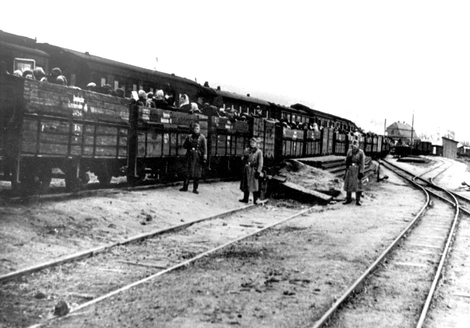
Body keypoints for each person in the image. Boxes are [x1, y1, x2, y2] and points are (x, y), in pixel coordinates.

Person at [180, 123, 207, 194]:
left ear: (199, 129)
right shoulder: (189, 137)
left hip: (198, 157)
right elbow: (184, 146)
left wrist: (204, 157)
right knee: (187, 172)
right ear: (193, 129)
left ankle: (195, 189)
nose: (196, 130)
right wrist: (188, 144)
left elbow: (205, 149)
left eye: (197, 129)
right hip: (189, 156)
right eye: (195, 128)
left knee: (197, 173)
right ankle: (185, 187)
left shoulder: (202, 138)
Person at [239, 137, 264, 204]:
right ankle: (245, 198)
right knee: (246, 184)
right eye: (251, 143)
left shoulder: (259, 152)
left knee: (254, 185)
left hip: (253, 170)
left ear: (256, 144)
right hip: (247, 169)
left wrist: (258, 171)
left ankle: (255, 199)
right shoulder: (247, 150)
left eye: (254, 143)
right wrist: (244, 158)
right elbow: (242, 158)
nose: (252, 144)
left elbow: (260, 163)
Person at [343, 139, 365, 205]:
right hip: (350, 170)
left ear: (358, 145)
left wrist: (361, 172)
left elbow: (362, 163)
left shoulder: (361, 152)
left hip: (357, 170)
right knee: (348, 184)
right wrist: (346, 161)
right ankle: (348, 199)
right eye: (354, 144)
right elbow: (346, 161)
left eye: (356, 144)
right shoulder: (349, 151)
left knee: (358, 185)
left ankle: (357, 201)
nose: (355, 145)